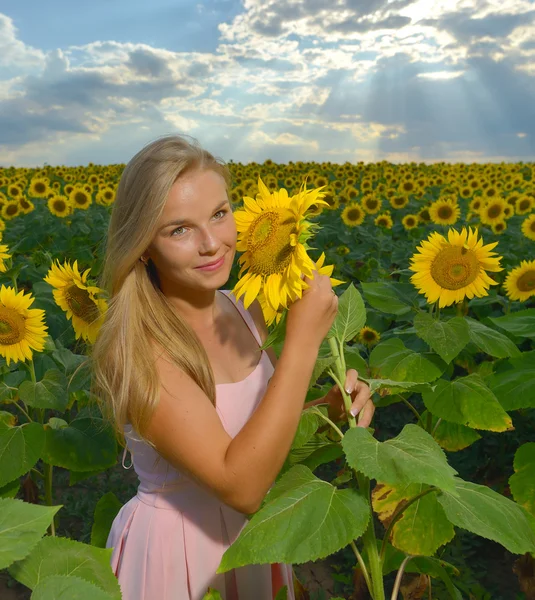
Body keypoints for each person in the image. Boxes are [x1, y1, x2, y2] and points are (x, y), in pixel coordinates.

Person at [90, 134, 374, 600]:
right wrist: (302, 344)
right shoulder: (140, 349)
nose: (211, 244)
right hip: (179, 555)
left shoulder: (247, 309)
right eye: (179, 230)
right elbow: (240, 484)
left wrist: (327, 413)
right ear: (142, 246)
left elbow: (259, 435)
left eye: (220, 214)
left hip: (255, 540)